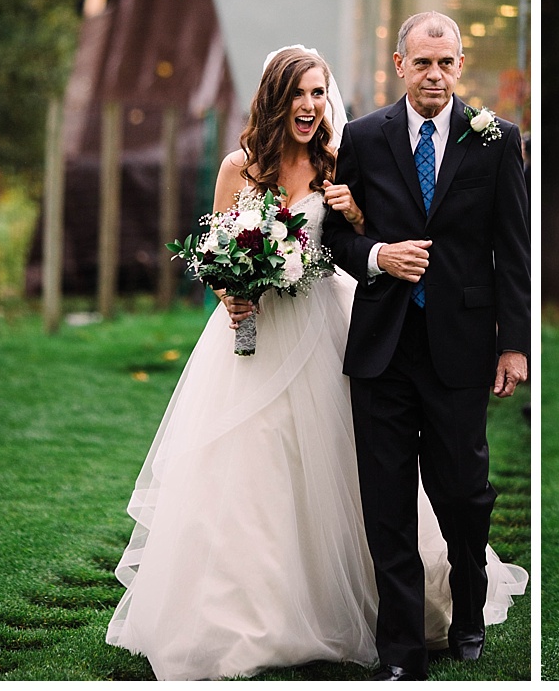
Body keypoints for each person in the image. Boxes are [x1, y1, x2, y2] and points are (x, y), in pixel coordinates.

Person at [105, 45, 527, 681]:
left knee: (346, 471)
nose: (309, 106)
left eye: (317, 93)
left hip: (323, 327)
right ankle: (245, 616)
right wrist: (232, 289)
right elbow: (216, 249)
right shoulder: (237, 169)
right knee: (249, 472)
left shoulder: (337, 160)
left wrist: (356, 219)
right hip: (252, 336)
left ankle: (398, 608)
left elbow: (355, 240)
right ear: (276, 99)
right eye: (298, 94)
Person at [322, 12, 530, 681]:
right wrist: (379, 254)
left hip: (463, 350)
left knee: (465, 495)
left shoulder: (497, 139)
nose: (434, 75)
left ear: (459, 65)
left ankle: (468, 606)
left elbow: (514, 253)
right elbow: (335, 236)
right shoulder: (361, 137)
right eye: (422, 63)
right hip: (382, 347)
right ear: (399, 63)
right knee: (386, 506)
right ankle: (402, 652)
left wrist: (514, 346)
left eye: (446, 63)